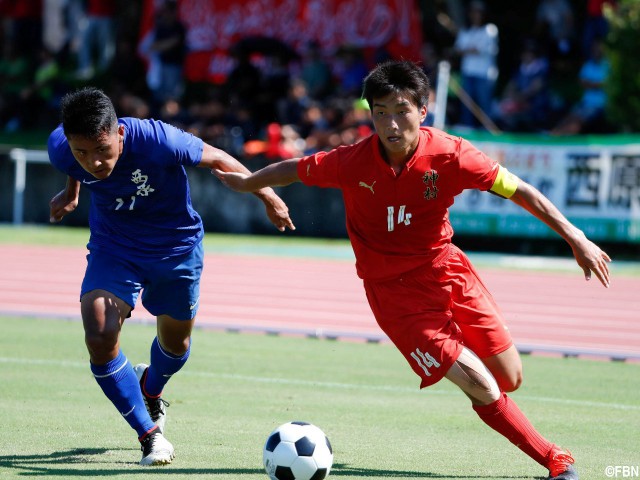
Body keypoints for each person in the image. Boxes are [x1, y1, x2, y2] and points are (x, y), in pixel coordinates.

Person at [214, 60, 611, 480]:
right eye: (379, 112)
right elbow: (294, 168)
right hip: (395, 296)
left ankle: (458, 352)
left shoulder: (453, 155)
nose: (390, 123)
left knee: (509, 378)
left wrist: (575, 237)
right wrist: (249, 185)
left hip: (449, 271)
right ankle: (555, 459)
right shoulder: (351, 161)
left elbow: (521, 191)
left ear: (423, 111)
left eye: (401, 110)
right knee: (481, 385)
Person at [47, 87, 293, 465]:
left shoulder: (158, 139)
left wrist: (269, 197)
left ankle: (152, 387)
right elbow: (72, 166)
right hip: (115, 249)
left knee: (175, 346)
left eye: (101, 150)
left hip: (175, 249)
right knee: (98, 334)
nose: (93, 162)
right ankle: (150, 435)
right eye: (82, 153)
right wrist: (71, 192)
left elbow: (218, 158)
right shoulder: (62, 148)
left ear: (119, 133)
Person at [453, 0, 499, 129]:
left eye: (478, 12)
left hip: (484, 74)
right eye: (473, 12)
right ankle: (468, 128)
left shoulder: (490, 29)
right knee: (466, 104)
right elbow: (457, 50)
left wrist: (466, 50)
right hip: (467, 72)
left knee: (484, 104)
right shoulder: (465, 30)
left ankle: (488, 129)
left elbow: (479, 49)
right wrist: (469, 49)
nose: (475, 15)